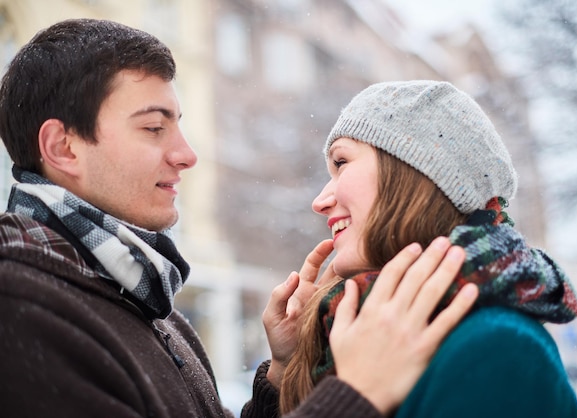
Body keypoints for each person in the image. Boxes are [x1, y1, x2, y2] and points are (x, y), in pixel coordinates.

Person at [0, 19, 478, 418]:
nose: (186, 154)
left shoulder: (141, 300)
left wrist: (280, 374)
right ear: (63, 148)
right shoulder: (21, 308)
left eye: (179, 126)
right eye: (153, 128)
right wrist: (356, 394)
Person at [279, 80, 577, 418]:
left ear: (415, 171)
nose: (320, 202)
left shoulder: (496, 348)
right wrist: (285, 366)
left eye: (341, 163)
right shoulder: (352, 341)